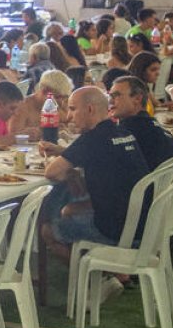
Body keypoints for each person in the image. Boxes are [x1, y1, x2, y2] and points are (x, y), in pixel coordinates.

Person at [40, 87, 149, 251]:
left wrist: (69, 172)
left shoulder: (92, 138)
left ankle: (110, 272)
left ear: (90, 109)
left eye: (72, 109)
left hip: (114, 230)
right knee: (70, 210)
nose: (68, 116)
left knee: (47, 231)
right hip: (145, 225)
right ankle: (103, 268)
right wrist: (71, 170)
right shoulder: (123, 132)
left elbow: (51, 172)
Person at [109, 76, 173, 170]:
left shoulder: (127, 132)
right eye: (110, 96)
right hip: (168, 183)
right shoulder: (154, 125)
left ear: (137, 98)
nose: (110, 101)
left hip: (144, 184)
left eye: (116, 95)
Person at [7, 70, 73, 136]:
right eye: (57, 97)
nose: (61, 102)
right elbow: (13, 137)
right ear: (44, 91)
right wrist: (45, 131)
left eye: (64, 97)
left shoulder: (62, 104)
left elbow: (71, 124)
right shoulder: (22, 107)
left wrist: (70, 127)